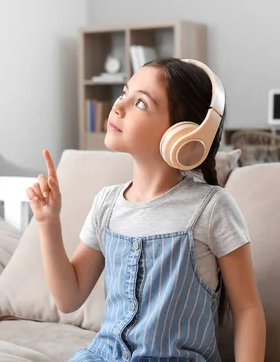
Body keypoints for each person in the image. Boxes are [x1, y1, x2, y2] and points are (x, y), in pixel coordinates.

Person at [27, 58, 266, 361]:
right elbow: (68, 298)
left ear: (184, 135)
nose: (118, 106)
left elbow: (248, 310)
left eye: (140, 103)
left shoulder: (211, 208)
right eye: (124, 93)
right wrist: (48, 223)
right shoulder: (107, 204)